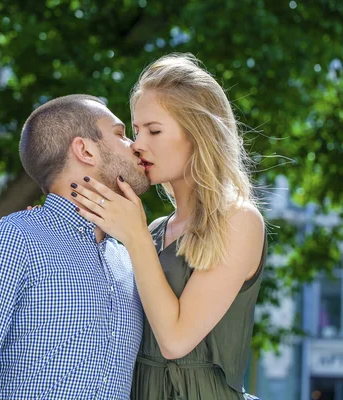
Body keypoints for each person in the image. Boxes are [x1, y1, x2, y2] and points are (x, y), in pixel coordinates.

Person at [70, 54, 266, 400]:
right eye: (135, 131)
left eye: (154, 130)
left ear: (197, 133)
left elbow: (175, 340)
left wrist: (135, 236)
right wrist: (48, 229)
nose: (138, 144)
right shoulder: (156, 231)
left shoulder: (239, 221)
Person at [0, 94, 151, 399]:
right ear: (85, 149)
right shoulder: (11, 242)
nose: (136, 146)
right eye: (120, 134)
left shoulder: (129, 258)